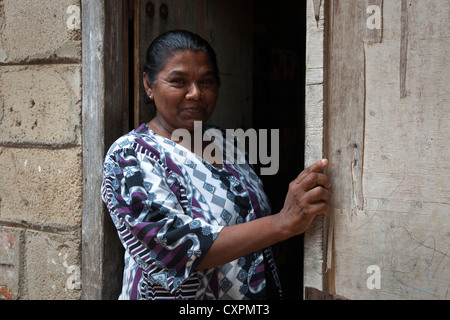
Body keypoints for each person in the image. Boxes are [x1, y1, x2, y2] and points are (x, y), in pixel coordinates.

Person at [101, 30, 331, 300]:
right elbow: (175, 247)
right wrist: (282, 223)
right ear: (149, 85)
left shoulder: (225, 142)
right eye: (179, 81)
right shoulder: (131, 156)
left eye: (207, 81)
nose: (196, 93)